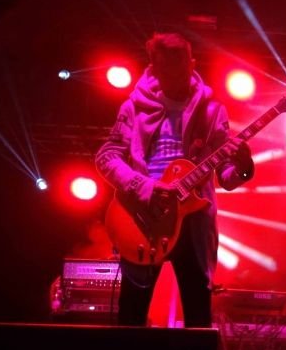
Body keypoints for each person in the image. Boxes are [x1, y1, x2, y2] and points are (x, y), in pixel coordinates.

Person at [95, 32, 254, 328]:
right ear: (154, 69)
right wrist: (145, 186)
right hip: (143, 217)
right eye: (168, 71)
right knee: (131, 316)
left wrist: (243, 165)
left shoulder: (212, 110)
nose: (178, 78)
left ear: (192, 63)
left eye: (183, 69)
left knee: (198, 316)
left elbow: (226, 177)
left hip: (192, 220)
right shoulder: (134, 107)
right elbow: (106, 157)